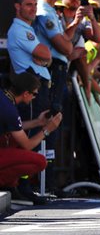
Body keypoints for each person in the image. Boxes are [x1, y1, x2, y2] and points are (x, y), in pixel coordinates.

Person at [31, 0, 73, 193]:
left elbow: (67, 43)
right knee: (48, 122)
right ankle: (41, 181)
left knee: (55, 125)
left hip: (56, 71)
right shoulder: (44, 12)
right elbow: (64, 47)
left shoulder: (53, 10)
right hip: (50, 72)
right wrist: (69, 48)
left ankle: (50, 179)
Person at [0, 71, 63, 205]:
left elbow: (15, 127)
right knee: (40, 161)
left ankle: (11, 186)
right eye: (34, 94)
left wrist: (38, 122)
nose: (35, 97)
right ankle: (6, 184)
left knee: (11, 139)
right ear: (25, 93)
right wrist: (47, 130)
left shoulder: (4, 98)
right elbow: (27, 145)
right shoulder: (9, 109)